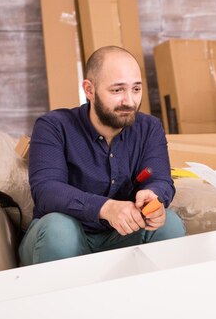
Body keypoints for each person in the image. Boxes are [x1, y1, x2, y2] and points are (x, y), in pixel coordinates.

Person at [19, 45, 186, 265]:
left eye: (136, 89)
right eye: (117, 90)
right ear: (89, 90)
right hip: (64, 236)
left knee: (170, 224)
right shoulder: (53, 126)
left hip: (124, 235)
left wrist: (153, 195)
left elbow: (161, 179)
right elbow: (47, 190)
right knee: (60, 230)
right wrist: (106, 208)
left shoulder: (149, 128)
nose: (129, 101)